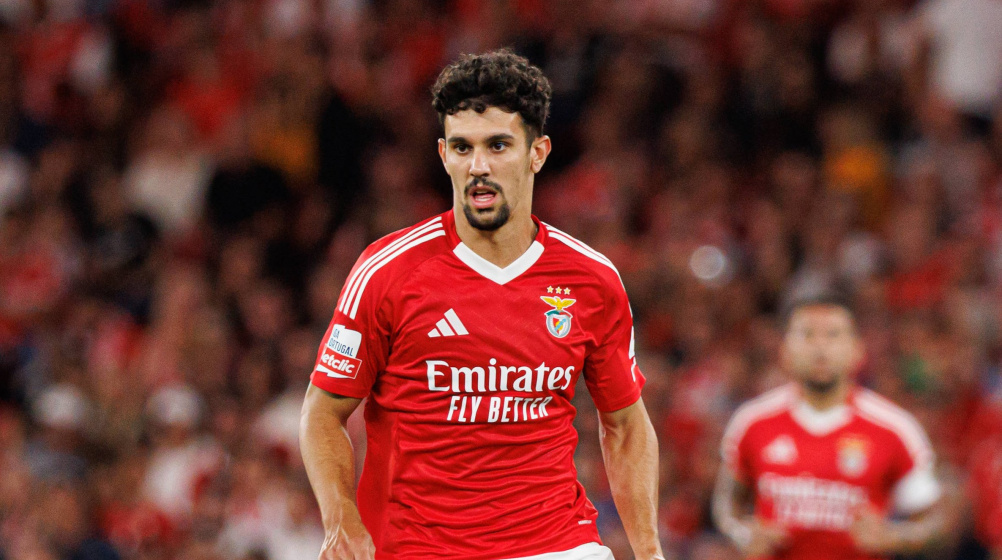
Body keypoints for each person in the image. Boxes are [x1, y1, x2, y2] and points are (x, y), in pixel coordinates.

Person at [299, 49, 663, 560]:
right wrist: (341, 520)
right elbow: (323, 413)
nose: (478, 167)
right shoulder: (386, 272)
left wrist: (649, 552)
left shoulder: (592, 279)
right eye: (463, 147)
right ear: (443, 155)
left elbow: (624, 425)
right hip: (419, 549)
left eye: (498, 145)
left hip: (557, 545)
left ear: (537, 153)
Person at [712, 295, 947, 559]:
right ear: (784, 351)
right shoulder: (752, 422)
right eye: (807, 335)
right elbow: (726, 504)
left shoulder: (895, 428)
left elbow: (936, 519)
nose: (820, 346)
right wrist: (742, 533)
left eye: (833, 335)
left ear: (857, 351)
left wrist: (893, 537)